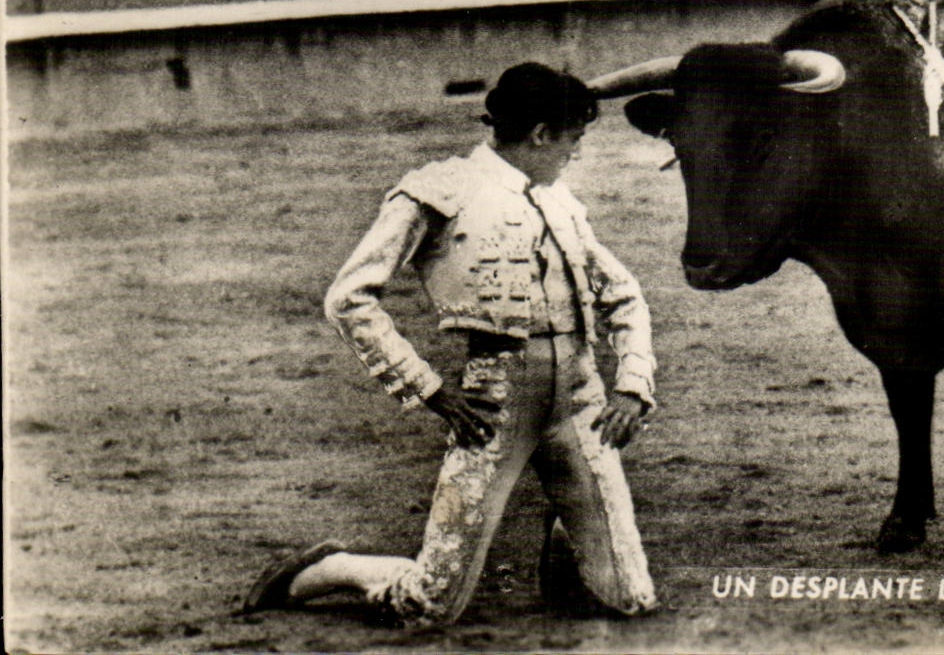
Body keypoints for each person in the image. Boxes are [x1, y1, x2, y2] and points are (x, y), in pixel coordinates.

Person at [241, 63, 659, 625]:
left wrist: (632, 385)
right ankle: (329, 569)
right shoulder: (438, 191)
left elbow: (623, 294)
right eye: (572, 139)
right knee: (430, 604)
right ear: (539, 135)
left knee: (631, 600)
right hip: (496, 405)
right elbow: (348, 297)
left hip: (580, 399)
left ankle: (567, 552)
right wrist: (430, 390)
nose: (574, 154)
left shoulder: (557, 200)